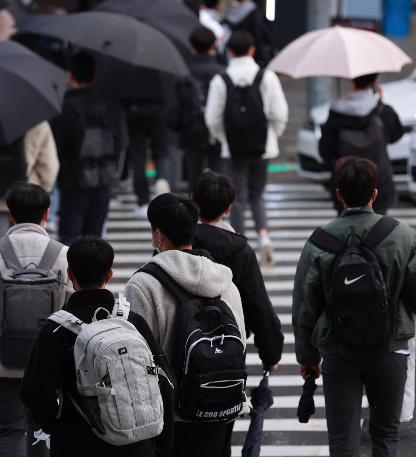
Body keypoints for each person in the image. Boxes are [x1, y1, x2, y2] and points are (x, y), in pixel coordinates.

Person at [292, 156, 416, 457]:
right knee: (385, 436)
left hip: (337, 351)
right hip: (390, 350)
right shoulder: (404, 236)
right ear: (375, 193)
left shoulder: (318, 243)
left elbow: (305, 308)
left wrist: (308, 357)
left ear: (339, 193)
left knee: (343, 442)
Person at [21, 235, 175, 457]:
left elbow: (34, 392)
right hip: (137, 445)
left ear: (70, 273)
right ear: (109, 274)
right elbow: (165, 383)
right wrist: (162, 446)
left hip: (77, 443)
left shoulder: (57, 329)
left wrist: (55, 427)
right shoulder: (132, 322)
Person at [124, 193, 247, 457]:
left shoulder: (143, 285)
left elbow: (139, 357)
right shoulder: (225, 281)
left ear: (158, 235)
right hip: (220, 404)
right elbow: (242, 341)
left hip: (171, 415)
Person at [0, 182, 73, 457]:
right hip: (48, 363)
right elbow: (74, 309)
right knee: (42, 429)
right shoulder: (63, 255)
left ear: (10, 214)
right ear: (46, 213)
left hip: (1, 362)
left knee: (8, 430)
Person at [205, 30, 289, 266]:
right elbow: (280, 113)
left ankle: (240, 244)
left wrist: (225, 138)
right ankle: (264, 237)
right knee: (258, 194)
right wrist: (272, 135)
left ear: (229, 51)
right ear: (252, 50)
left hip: (233, 150)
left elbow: (212, 118)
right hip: (263, 148)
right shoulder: (267, 77)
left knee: (237, 199)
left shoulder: (221, 79)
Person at [191, 172, 283, 372]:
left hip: (181, 341)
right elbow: (257, 303)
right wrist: (270, 353)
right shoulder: (240, 249)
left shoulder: (178, 242)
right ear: (228, 208)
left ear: (192, 200)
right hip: (228, 344)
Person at [50, 52, 128, 245]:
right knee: (94, 241)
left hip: (72, 183)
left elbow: (55, 150)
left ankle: (70, 275)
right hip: (104, 180)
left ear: (70, 76)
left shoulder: (63, 108)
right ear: (94, 76)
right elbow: (123, 143)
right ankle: (92, 275)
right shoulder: (111, 104)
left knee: (69, 237)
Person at [319, 73, 404, 216]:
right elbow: (397, 134)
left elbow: (325, 152)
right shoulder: (383, 111)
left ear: (352, 80)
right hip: (379, 181)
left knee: (347, 230)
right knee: (378, 230)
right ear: (375, 82)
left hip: (345, 182)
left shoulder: (336, 112)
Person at [165, 27, 225, 185]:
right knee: (218, 181)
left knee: (194, 178)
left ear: (191, 46)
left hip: (191, 134)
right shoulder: (224, 74)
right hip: (218, 134)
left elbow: (172, 115)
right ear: (214, 45)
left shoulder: (182, 75)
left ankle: (194, 208)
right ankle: (216, 208)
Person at [223, 0, 279, 67]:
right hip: (254, 54)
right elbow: (268, 33)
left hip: (233, 52)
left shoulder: (228, 13)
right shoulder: (256, 13)